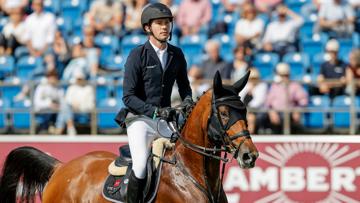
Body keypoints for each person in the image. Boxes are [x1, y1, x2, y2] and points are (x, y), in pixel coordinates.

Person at [120, 3, 193, 203]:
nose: (165, 27)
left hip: (165, 121)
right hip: (140, 120)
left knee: (182, 161)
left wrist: (187, 101)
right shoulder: (137, 55)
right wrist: (154, 111)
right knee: (141, 166)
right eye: (159, 23)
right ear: (147, 28)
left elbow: (185, 87)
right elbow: (128, 97)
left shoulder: (176, 54)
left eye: (167, 23)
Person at [263, 63, 308, 134]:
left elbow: (303, 100)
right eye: (281, 75)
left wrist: (297, 110)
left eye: (286, 75)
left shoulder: (294, 85)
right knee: (261, 117)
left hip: (289, 113)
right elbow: (267, 102)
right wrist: (271, 112)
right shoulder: (274, 86)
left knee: (286, 117)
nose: (284, 77)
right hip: (275, 112)